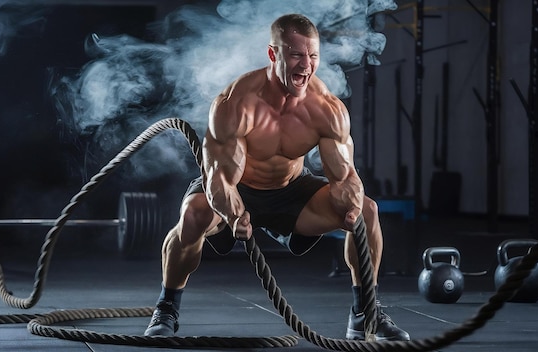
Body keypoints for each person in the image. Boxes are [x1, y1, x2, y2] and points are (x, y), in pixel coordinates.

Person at [144, 13, 410, 341]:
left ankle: (364, 313)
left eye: (312, 56)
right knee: (193, 215)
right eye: (296, 56)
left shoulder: (326, 108)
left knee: (367, 212)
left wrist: (350, 203)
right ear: (274, 54)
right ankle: (166, 307)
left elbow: (345, 177)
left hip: (290, 190)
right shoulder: (235, 103)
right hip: (236, 187)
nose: (306, 65)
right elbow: (219, 179)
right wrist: (232, 213)